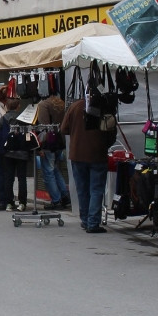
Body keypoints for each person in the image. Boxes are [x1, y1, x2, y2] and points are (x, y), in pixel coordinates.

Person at [61, 92, 111, 233]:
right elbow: (111, 130)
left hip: (77, 153)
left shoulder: (74, 106)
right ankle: (93, 222)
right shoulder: (103, 106)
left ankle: (85, 220)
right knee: (96, 189)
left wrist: (77, 133)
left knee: (82, 189)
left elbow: (63, 129)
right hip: (97, 154)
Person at [0, 97, 32, 212]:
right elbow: (28, 136)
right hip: (22, 153)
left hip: (8, 153)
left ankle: (9, 203)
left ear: (7, 106)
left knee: (8, 178)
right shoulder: (23, 119)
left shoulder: (2, 120)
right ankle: (22, 203)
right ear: (18, 106)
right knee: (22, 179)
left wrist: (2, 150)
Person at [38, 93, 70, 210]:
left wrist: (40, 146)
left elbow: (43, 126)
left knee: (48, 172)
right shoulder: (60, 103)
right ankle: (65, 196)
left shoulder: (43, 105)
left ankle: (56, 200)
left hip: (49, 143)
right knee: (55, 169)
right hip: (59, 141)